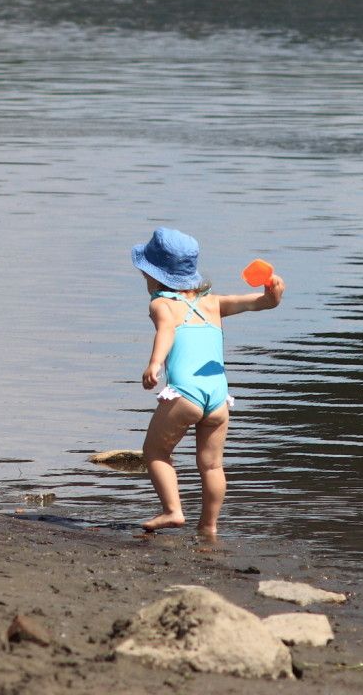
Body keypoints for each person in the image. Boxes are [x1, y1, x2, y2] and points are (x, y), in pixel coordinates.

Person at [132, 226, 284, 536]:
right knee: (212, 466)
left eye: (146, 273)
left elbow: (167, 331)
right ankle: (209, 526)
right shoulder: (213, 303)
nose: (145, 280)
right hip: (218, 398)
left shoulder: (162, 304)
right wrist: (272, 296)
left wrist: (155, 363)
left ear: (157, 276)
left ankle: (173, 511)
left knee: (156, 452)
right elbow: (258, 303)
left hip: (184, 394)